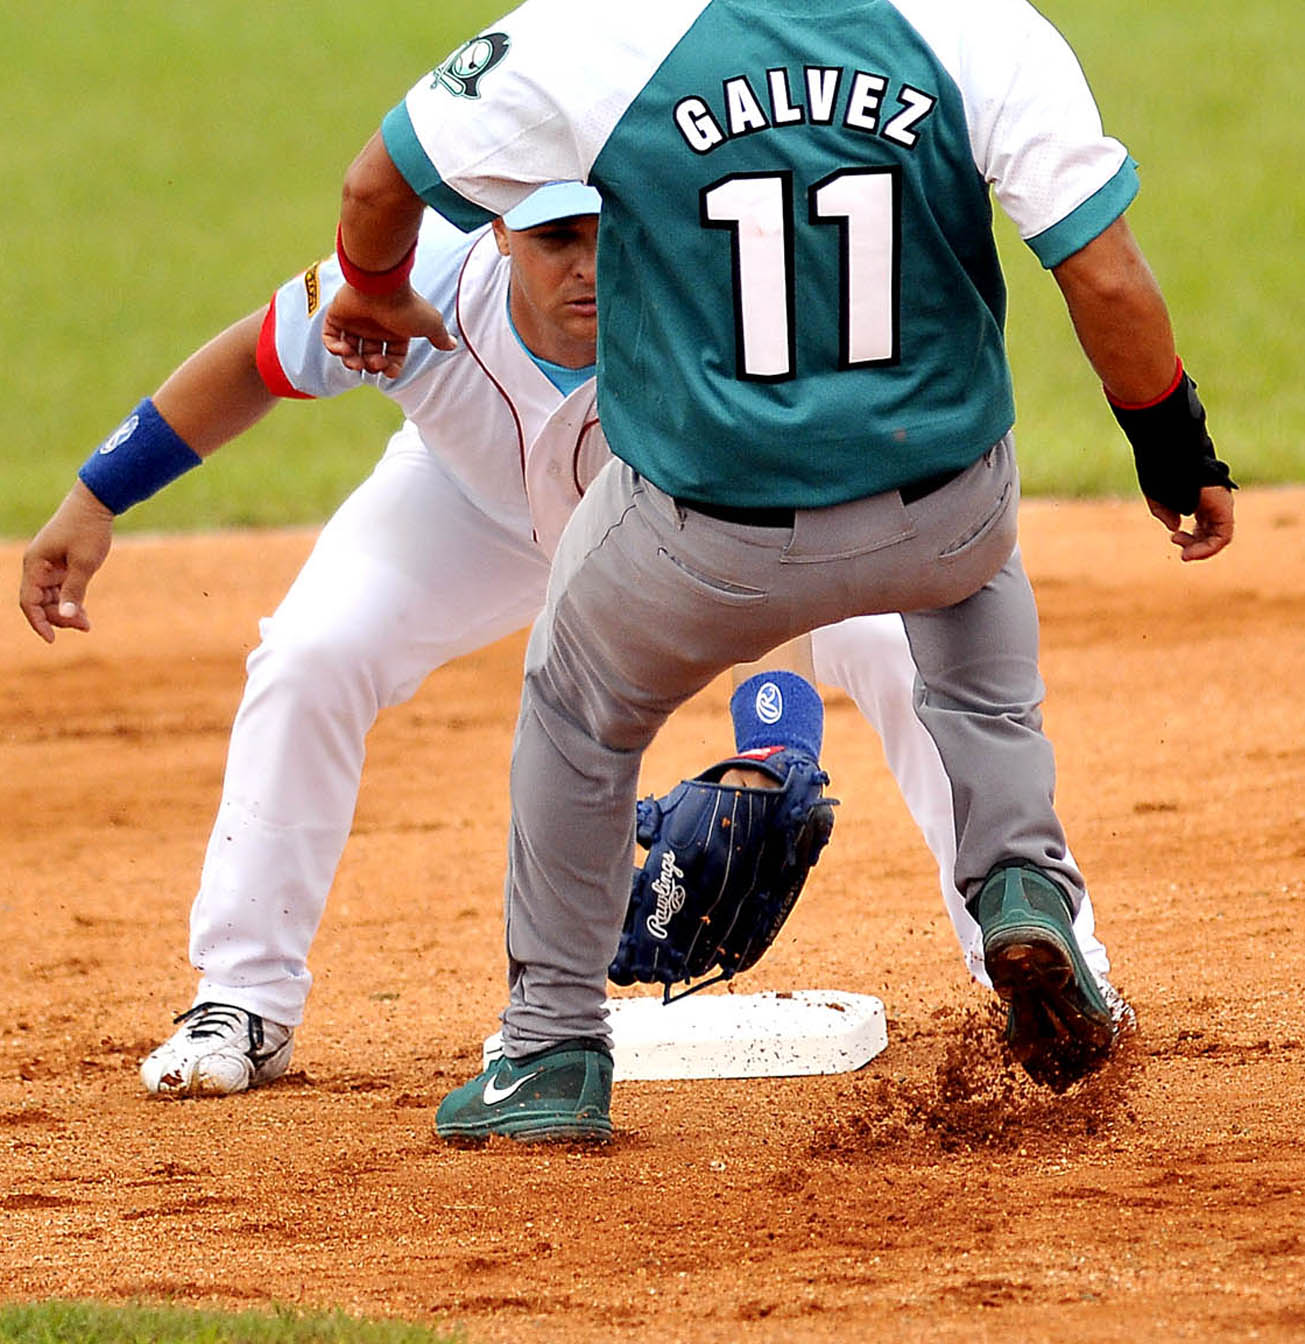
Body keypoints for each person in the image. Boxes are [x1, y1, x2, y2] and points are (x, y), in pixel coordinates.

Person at [316, 0, 1234, 1143]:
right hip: (938, 512)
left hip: (702, 542)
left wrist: (370, 286)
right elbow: (1105, 277)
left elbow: (380, 185)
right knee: (977, 619)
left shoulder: (605, 23)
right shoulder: (977, 23)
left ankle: (550, 1048)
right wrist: (1174, 447)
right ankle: (1016, 888)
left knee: (574, 705)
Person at [19, 183, 1118, 1097]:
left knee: (893, 642)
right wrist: (92, 502)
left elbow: (817, 498)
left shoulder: (726, 295)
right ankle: (239, 1001)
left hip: (702, 526)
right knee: (313, 652)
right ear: (496, 229)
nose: (589, 267)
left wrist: (768, 725)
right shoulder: (409, 289)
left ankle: (1044, 962)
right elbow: (252, 360)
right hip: (472, 517)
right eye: (555, 240)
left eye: (611, 235)